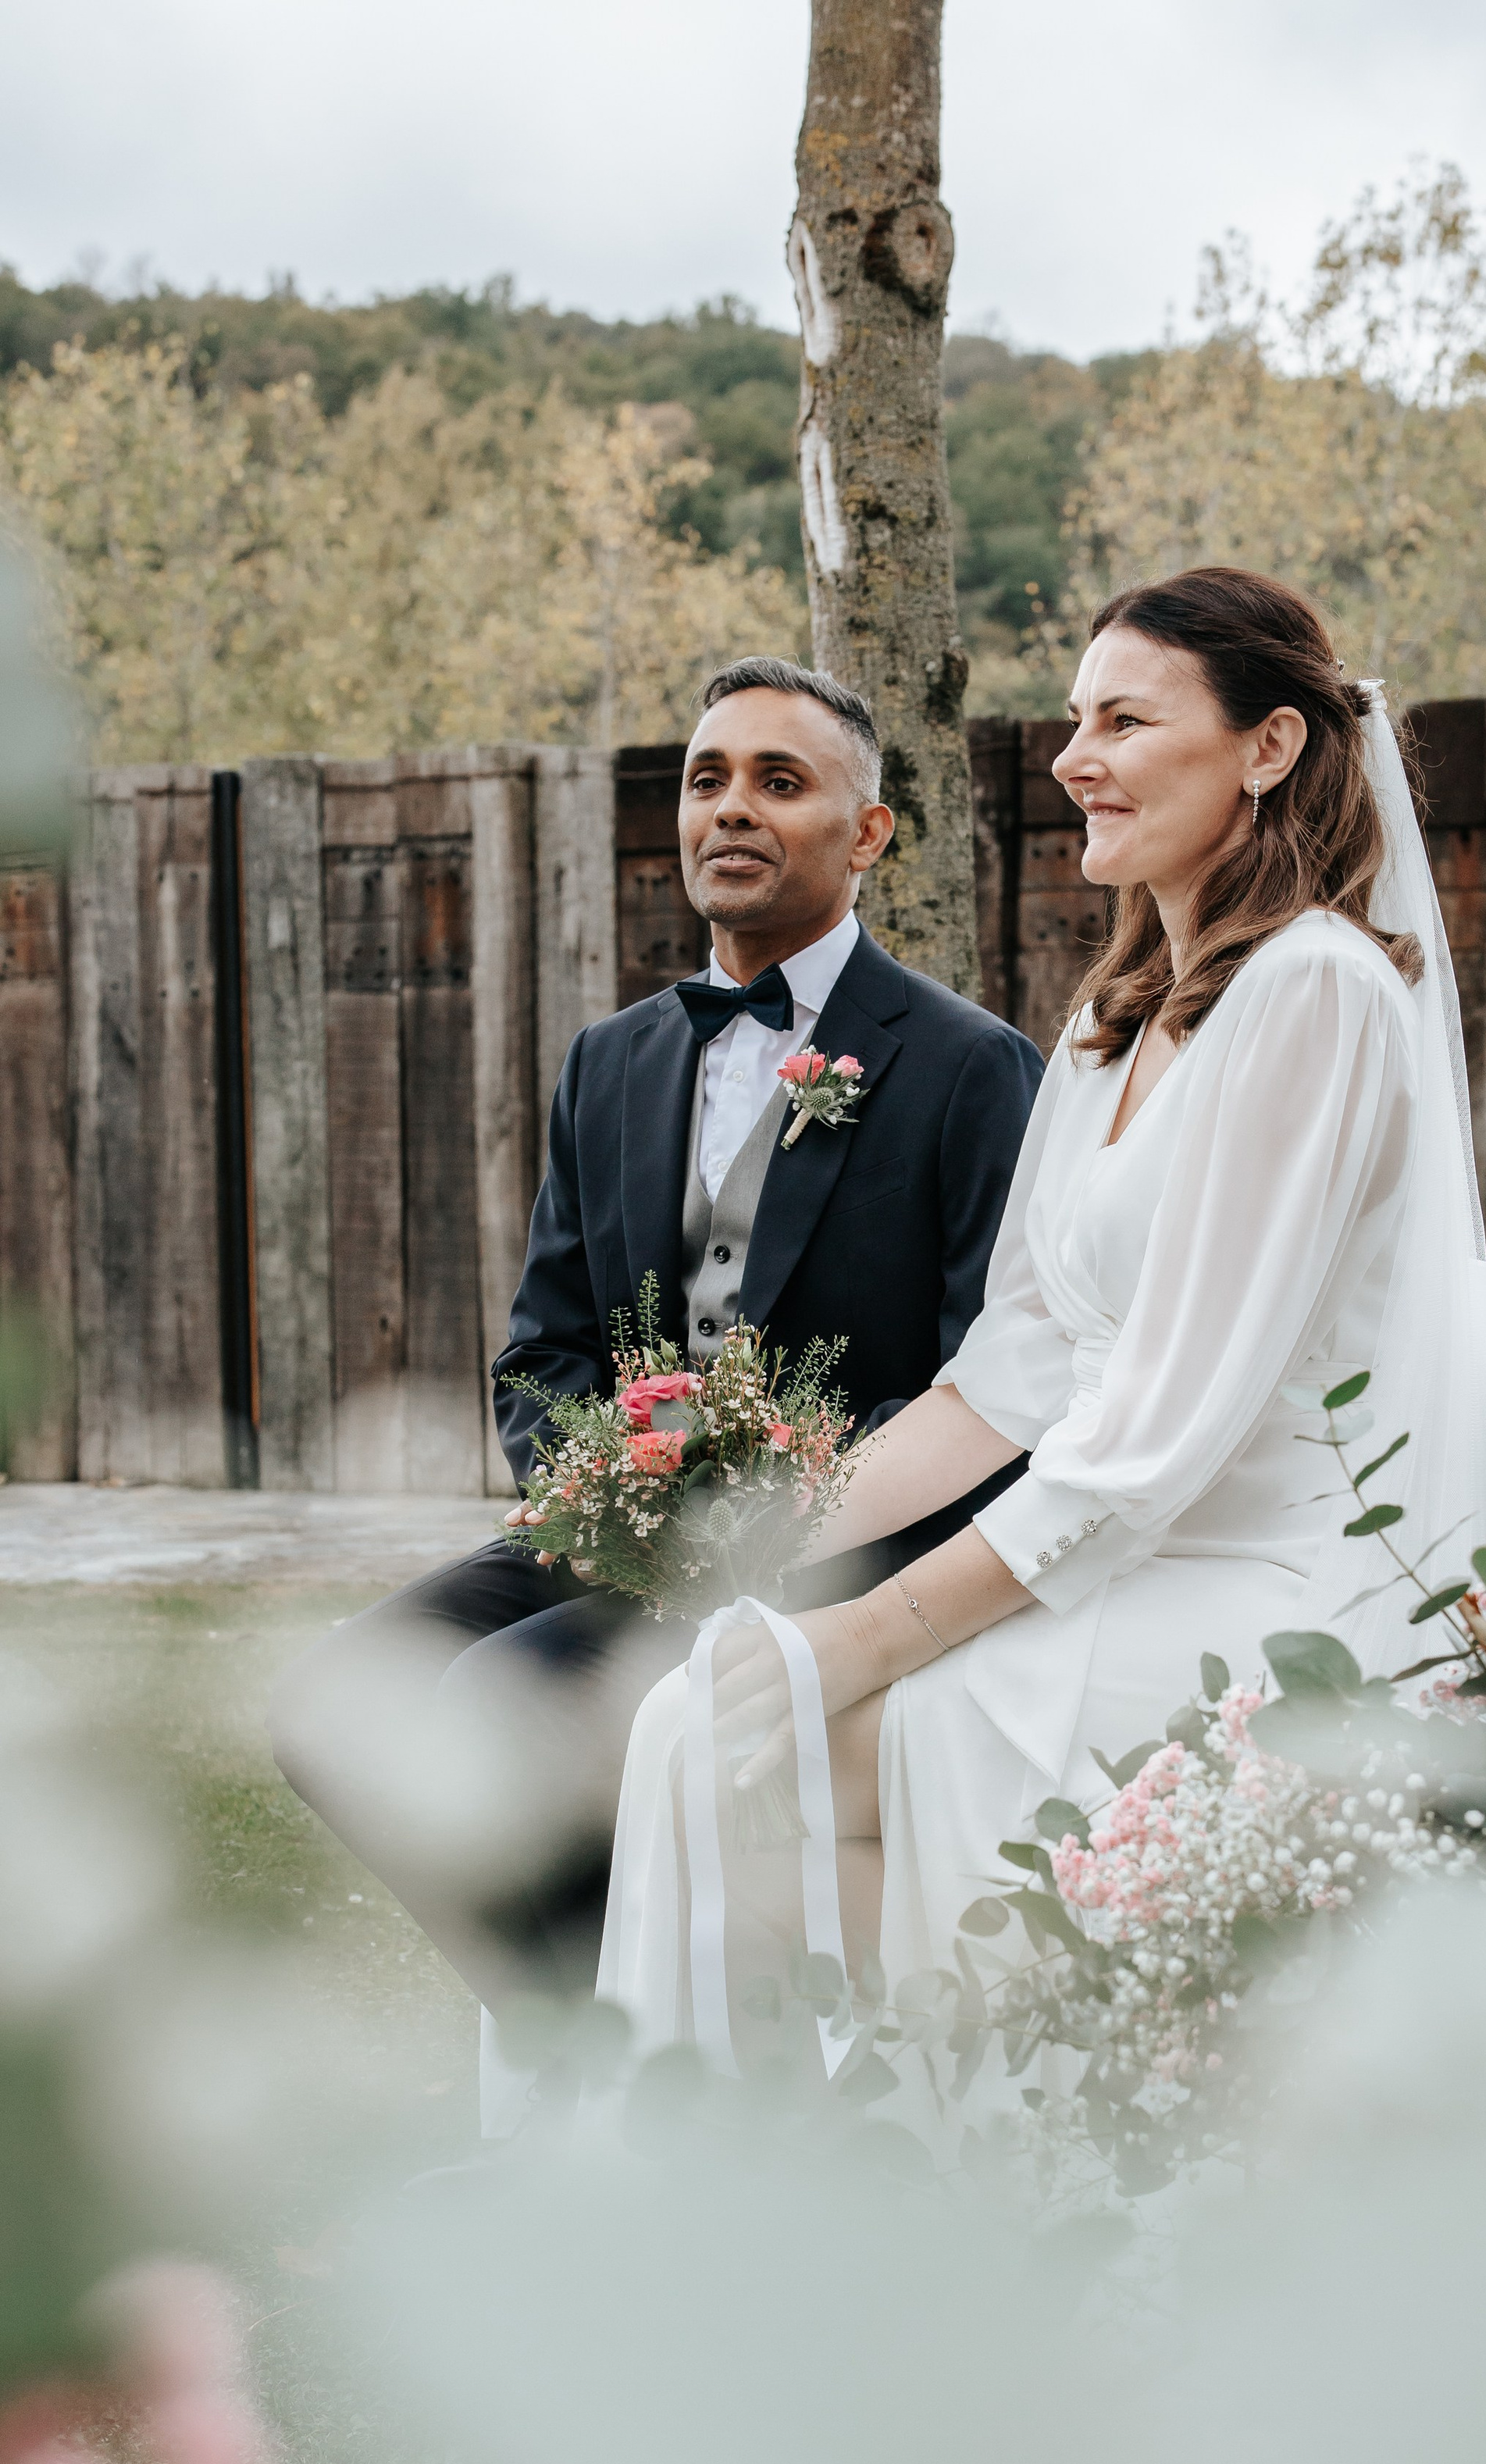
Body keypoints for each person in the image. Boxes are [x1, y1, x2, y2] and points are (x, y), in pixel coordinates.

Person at [597, 570, 1486, 2107]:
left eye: (1124, 720)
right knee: (703, 1711)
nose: (1072, 755)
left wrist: (855, 1637)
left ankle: (994, 2160)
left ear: (1268, 747)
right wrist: (763, 1545)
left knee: (775, 1753)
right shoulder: (1115, 1015)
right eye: (1073, 718)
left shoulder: (1320, 1000)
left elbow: (1147, 1436)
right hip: (1119, 1551)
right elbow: (1005, 1381)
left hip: (1269, 1591)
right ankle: (916, 2148)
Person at [271, 657, 1042, 2117]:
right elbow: (544, 1347)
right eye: (707, 778)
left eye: (779, 779)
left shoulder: (967, 1068)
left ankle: (661, 2103)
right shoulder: (610, 1062)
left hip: (832, 1549)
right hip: (612, 1530)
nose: (731, 809)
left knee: (503, 1699)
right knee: (332, 1704)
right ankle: (611, 2060)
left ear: (869, 836)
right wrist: (601, 1479)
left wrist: (776, 1513)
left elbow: (987, 1386)